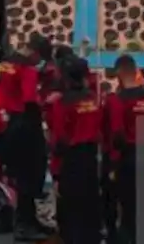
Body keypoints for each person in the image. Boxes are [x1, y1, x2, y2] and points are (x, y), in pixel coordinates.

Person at [0, 34, 52, 241]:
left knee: (20, 173)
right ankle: (24, 223)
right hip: (26, 123)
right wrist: (46, 102)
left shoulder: (7, 63)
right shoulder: (28, 70)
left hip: (10, 122)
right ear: (36, 53)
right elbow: (30, 100)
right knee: (32, 172)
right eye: (41, 58)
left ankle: (29, 220)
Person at [104, 55, 144, 244]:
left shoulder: (117, 100)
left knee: (128, 208)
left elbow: (117, 134)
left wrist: (113, 163)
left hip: (130, 157)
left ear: (119, 73)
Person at [48, 57, 103, 244]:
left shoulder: (62, 104)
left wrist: (55, 171)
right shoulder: (93, 99)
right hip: (91, 158)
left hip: (71, 161)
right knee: (90, 206)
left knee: (71, 211)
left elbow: (59, 138)